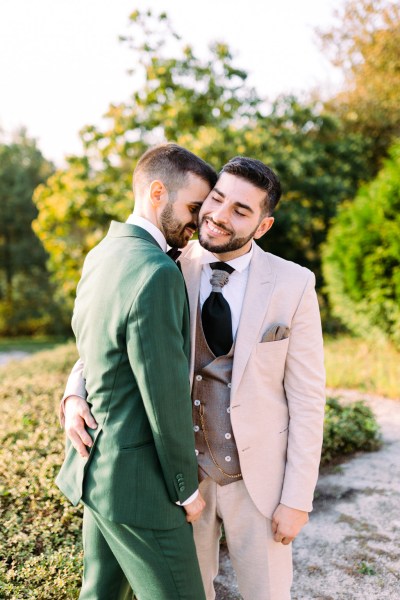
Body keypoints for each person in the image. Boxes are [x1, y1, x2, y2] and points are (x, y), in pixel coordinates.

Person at [62, 156, 326, 600]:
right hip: (181, 483)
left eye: (241, 210)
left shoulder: (293, 283)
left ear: (263, 226)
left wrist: (298, 497)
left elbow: (307, 398)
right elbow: (111, 333)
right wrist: (74, 393)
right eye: (216, 199)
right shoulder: (168, 263)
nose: (220, 215)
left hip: (257, 484)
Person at [56, 143, 217, 600]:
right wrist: (186, 491)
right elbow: (163, 398)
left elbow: (94, 349)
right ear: (157, 192)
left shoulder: (101, 255)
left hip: (96, 475)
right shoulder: (155, 271)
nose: (198, 221)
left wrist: (74, 395)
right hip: (142, 487)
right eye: (193, 207)